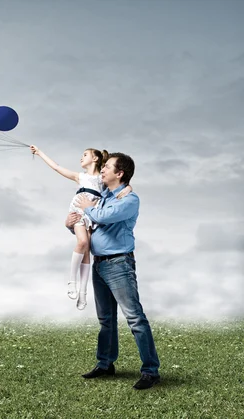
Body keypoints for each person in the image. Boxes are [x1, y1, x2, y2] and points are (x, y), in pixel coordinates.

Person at [67, 152, 161, 390]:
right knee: (106, 319)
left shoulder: (129, 200)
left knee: (135, 318)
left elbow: (104, 218)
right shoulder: (108, 196)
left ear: (120, 173)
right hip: (99, 263)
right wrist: (72, 226)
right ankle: (105, 363)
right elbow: (92, 227)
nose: (103, 170)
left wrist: (88, 207)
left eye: (108, 167)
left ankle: (150, 371)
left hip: (119, 264)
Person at [29, 145, 132, 309]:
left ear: (95, 158)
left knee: (87, 250)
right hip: (77, 210)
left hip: (91, 213)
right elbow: (56, 167)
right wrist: (40, 152)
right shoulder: (80, 177)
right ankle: (72, 281)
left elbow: (119, 186)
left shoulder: (102, 179)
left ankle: (83, 293)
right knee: (82, 242)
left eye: (85, 154)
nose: (81, 158)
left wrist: (128, 189)